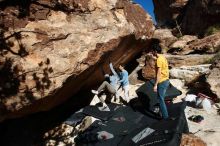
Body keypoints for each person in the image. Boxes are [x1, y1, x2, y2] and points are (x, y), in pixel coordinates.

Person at [151, 39, 170, 119]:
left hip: (162, 81)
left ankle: (165, 117)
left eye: (152, 51)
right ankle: (161, 113)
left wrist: (155, 85)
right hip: (166, 80)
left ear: (155, 51)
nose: (151, 52)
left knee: (160, 99)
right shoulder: (163, 57)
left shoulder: (159, 60)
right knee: (162, 98)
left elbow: (159, 73)